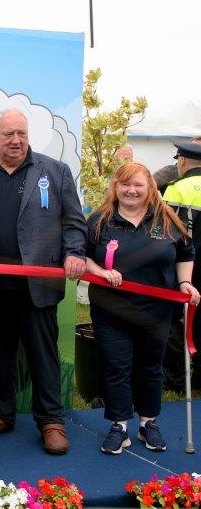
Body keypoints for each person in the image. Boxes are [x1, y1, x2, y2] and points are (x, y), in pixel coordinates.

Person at [0, 108, 87, 455]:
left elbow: (74, 221)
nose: (16, 141)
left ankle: (51, 421)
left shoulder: (55, 171)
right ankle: (1, 413)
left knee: (42, 356)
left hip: (38, 285)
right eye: (8, 134)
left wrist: (75, 252)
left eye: (22, 133)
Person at [84, 162, 199, 454]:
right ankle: (119, 426)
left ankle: (149, 423)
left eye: (138, 185)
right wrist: (99, 272)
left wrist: (185, 283)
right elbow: (81, 255)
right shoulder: (100, 220)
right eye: (125, 184)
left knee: (151, 368)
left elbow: (185, 252)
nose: (131, 191)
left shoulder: (166, 218)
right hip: (111, 311)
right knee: (116, 367)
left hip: (156, 313)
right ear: (116, 187)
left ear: (149, 188)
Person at [161, 139, 201, 390]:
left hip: (186, 266)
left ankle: (177, 377)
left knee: (174, 319)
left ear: (183, 161)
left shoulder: (177, 189)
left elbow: (167, 232)